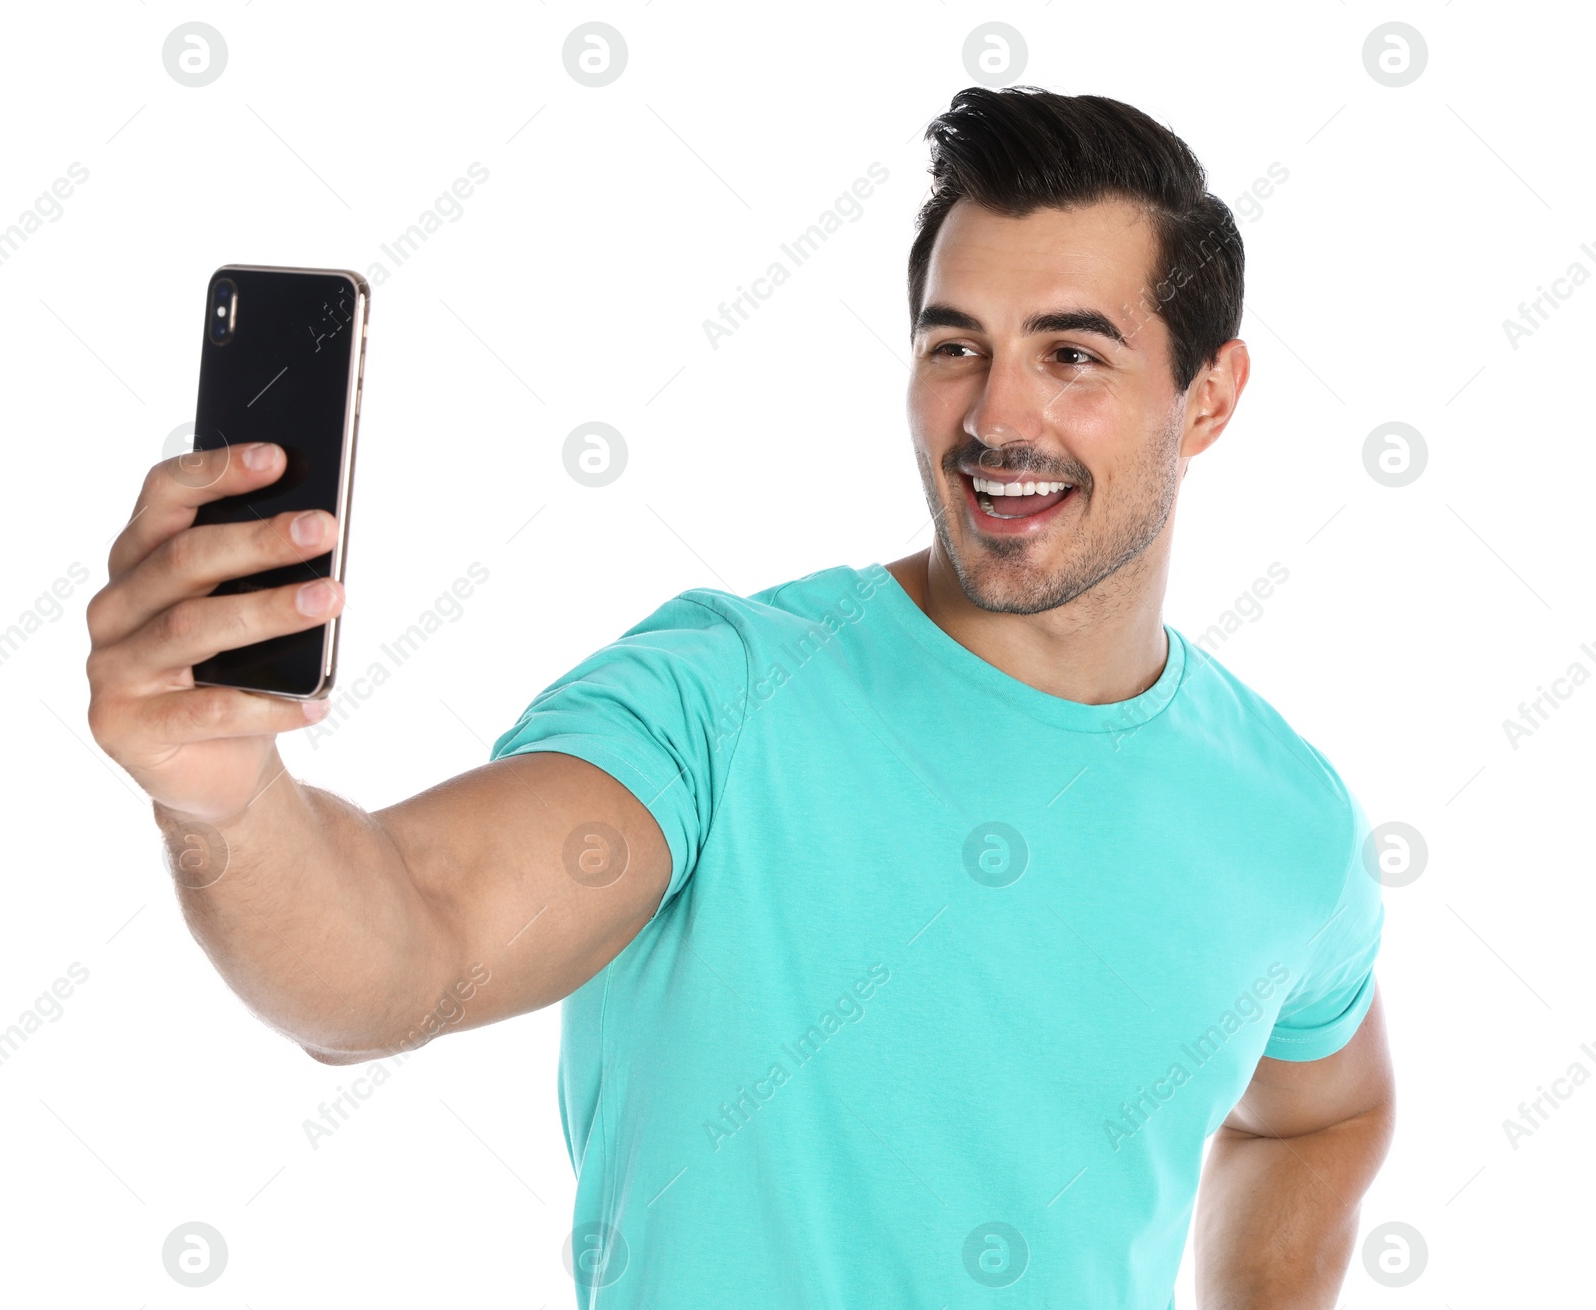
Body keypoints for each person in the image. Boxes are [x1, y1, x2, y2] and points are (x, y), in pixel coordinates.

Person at [87, 86, 1393, 1308]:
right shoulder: (724, 696)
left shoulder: (1289, 818)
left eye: (1071, 354)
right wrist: (228, 802)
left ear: (1208, 396)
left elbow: (1326, 1109)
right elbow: (407, 948)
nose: (996, 415)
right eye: (957, 344)